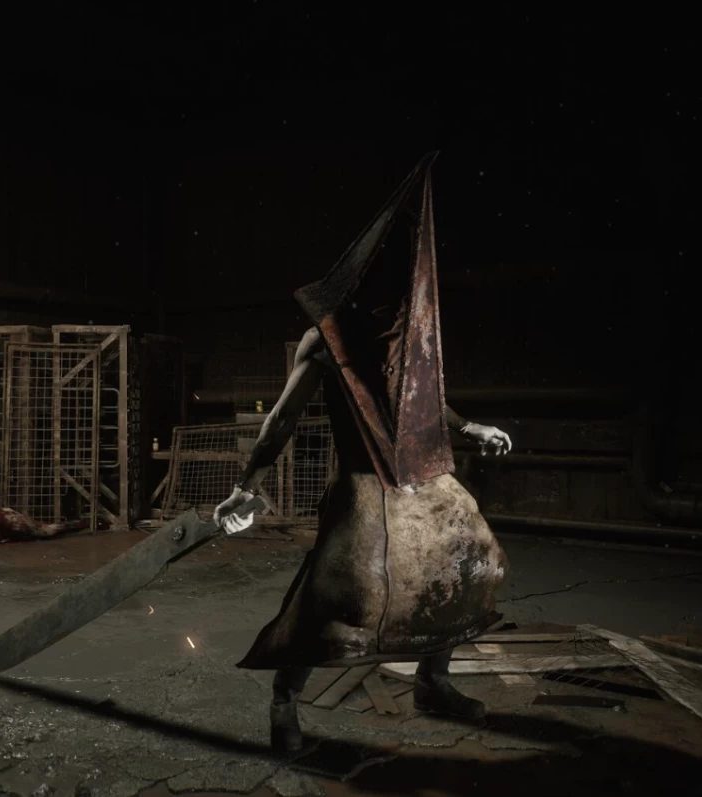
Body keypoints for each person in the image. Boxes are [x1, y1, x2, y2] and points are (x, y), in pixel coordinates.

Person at [213, 153, 513, 753]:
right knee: (337, 597)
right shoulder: (326, 339)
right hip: (363, 484)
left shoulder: (409, 328)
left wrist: (469, 426)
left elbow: (422, 405)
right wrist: (248, 485)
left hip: (425, 477)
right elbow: (281, 419)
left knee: (466, 567)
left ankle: (432, 683)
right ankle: (284, 702)